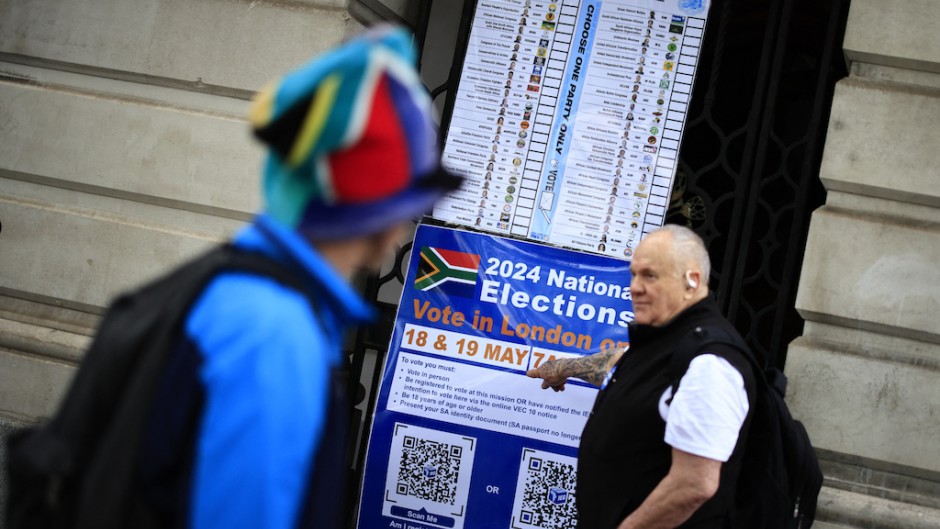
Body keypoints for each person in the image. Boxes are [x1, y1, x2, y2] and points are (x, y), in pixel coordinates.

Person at [138, 25, 462, 529]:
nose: (409, 225)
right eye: (411, 201)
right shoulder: (278, 333)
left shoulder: (227, 286)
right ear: (376, 206)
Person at [527, 225, 756, 529]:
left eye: (650, 276)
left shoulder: (711, 362)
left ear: (692, 281)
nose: (634, 287)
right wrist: (563, 368)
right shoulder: (669, 340)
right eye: (634, 275)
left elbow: (694, 485)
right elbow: (624, 367)